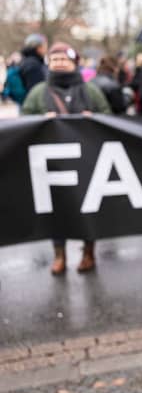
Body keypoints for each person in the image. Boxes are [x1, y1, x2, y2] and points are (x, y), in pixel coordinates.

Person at [22, 42, 111, 274]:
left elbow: (109, 116)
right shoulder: (38, 92)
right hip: (51, 164)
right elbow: (24, 119)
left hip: (86, 161)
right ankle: (59, 254)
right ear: (49, 63)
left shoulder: (90, 91)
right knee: (57, 209)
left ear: (74, 63)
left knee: (88, 208)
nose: (59, 63)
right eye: (55, 60)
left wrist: (95, 118)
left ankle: (88, 252)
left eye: (64, 59)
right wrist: (40, 119)